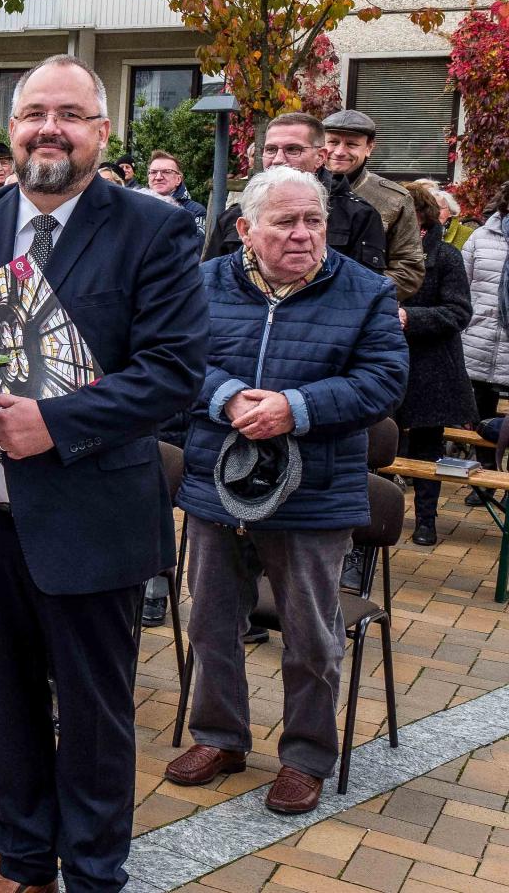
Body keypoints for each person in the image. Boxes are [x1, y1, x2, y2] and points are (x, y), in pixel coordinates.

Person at [0, 54, 207, 893]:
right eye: (33, 114)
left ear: (101, 131)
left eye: (70, 113)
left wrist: (51, 424)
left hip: (89, 519)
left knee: (96, 719)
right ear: (13, 130)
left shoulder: (155, 228)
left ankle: (95, 876)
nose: (48, 128)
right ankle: (24, 865)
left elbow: (172, 371)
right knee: (7, 704)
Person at [168, 165, 407, 815]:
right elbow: (173, 358)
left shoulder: (365, 293)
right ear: (246, 230)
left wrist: (295, 407)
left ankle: (305, 757)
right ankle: (220, 737)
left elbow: (385, 382)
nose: (304, 234)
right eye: (286, 222)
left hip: (314, 493)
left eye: (314, 221)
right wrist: (224, 397)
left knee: (311, 634)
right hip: (220, 482)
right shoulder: (205, 281)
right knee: (212, 621)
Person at [210, 113, 389, 281]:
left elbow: (363, 291)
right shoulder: (235, 216)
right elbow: (212, 283)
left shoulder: (359, 216)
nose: (278, 159)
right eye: (271, 149)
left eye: (293, 149)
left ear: (320, 157)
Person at [394, 182, 475, 546]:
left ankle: (426, 520)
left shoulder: (445, 256)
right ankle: (375, 519)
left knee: (428, 450)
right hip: (386, 366)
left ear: (420, 216)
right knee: (376, 445)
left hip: (431, 369)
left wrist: (409, 318)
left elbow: (458, 312)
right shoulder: (382, 252)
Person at [324, 108, 424, 300]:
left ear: (369, 148)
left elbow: (409, 269)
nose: (339, 151)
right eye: (333, 142)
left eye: (352, 144)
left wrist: (357, 295)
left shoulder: (394, 199)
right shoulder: (298, 188)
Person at [465, 182, 509, 425]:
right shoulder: (480, 237)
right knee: (478, 426)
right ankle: (485, 465)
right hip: (478, 344)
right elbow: (462, 289)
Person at [146, 150, 206, 233]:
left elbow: (195, 244)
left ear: (178, 179)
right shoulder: (137, 206)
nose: (158, 177)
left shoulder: (195, 211)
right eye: (153, 172)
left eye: (166, 172)